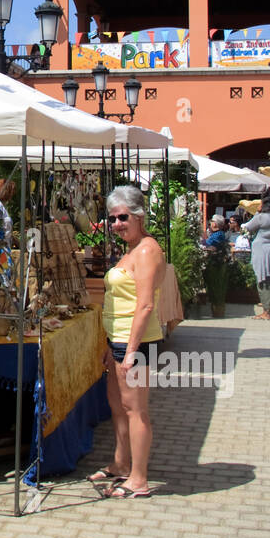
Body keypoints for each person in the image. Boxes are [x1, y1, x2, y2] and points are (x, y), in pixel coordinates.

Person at [90, 185, 165, 500]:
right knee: (118, 407)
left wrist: (131, 352)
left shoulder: (147, 250)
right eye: (112, 219)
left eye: (123, 217)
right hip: (118, 340)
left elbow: (145, 305)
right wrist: (113, 347)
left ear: (139, 215)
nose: (117, 224)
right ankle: (121, 464)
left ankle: (139, 478)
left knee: (136, 410)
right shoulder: (130, 250)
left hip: (136, 344)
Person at [242, 194, 270, 321]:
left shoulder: (262, 217)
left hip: (264, 253)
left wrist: (257, 213)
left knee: (264, 281)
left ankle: (266, 311)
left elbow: (247, 227)